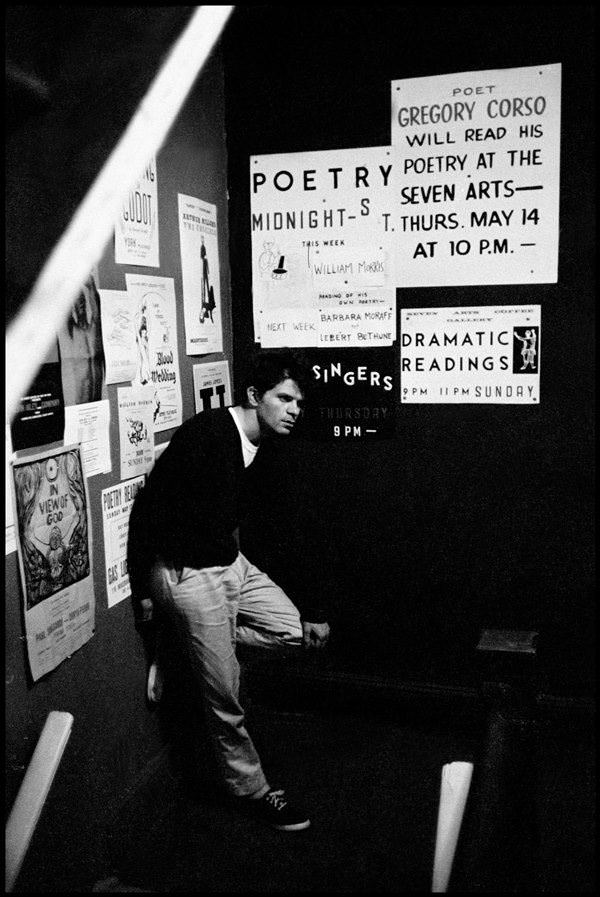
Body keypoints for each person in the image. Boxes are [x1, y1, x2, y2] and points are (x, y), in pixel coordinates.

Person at [128, 350, 330, 832]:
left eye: (299, 402)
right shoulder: (208, 435)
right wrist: (148, 595)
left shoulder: (270, 447)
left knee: (293, 634)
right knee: (226, 699)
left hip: (229, 564)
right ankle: (253, 791)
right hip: (189, 574)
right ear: (254, 396)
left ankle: (191, 649)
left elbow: (285, 526)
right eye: (284, 399)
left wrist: (312, 607)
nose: (294, 410)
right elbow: (148, 512)